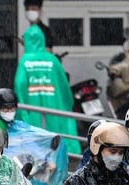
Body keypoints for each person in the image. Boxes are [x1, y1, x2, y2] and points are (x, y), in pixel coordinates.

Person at [0, 88, 70, 185]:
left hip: (29, 178)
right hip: (3, 182)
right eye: (5, 108)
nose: (9, 111)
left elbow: (35, 145)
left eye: (12, 108)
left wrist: (48, 159)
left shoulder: (21, 128)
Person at [14, 25, 81, 156]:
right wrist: (67, 105)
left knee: (35, 150)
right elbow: (64, 87)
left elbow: (19, 87)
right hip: (55, 111)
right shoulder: (53, 60)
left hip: (32, 113)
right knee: (56, 149)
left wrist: (21, 111)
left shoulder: (25, 62)